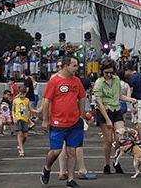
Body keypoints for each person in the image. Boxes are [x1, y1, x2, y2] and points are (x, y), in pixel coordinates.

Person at [40, 56, 86, 188]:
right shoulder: (54, 81)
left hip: (75, 122)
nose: (77, 69)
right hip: (57, 123)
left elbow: (82, 97)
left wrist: (82, 116)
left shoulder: (77, 81)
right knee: (56, 151)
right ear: (65, 66)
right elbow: (46, 100)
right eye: (74, 66)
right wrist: (45, 120)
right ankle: (47, 167)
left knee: (72, 151)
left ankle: (70, 179)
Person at [94, 59, 136, 174]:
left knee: (120, 138)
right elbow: (99, 102)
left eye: (111, 72)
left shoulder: (116, 80)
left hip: (116, 110)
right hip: (104, 111)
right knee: (108, 140)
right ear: (102, 71)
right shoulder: (99, 83)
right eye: (106, 72)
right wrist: (107, 120)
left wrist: (130, 99)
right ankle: (106, 164)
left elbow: (119, 96)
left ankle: (116, 161)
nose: (109, 75)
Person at [124, 62, 141, 145]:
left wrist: (128, 99)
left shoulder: (132, 78)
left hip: (136, 101)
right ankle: (138, 138)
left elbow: (130, 90)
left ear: (128, 70)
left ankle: (139, 140)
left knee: (138, 121)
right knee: (138, 120)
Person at [12, 86, 39, 157]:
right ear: (18, 93)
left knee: (25, 136)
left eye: (23, 94)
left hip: (25, 119)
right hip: (18, 119)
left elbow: (30, 109)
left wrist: (38, 111)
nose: (22, 96)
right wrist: (14, 117)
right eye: (20, 94)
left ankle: (20, 145)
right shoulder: (16, 100)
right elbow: (13, 110)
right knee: (19, 135)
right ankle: (21, 150)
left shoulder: (27, 100)